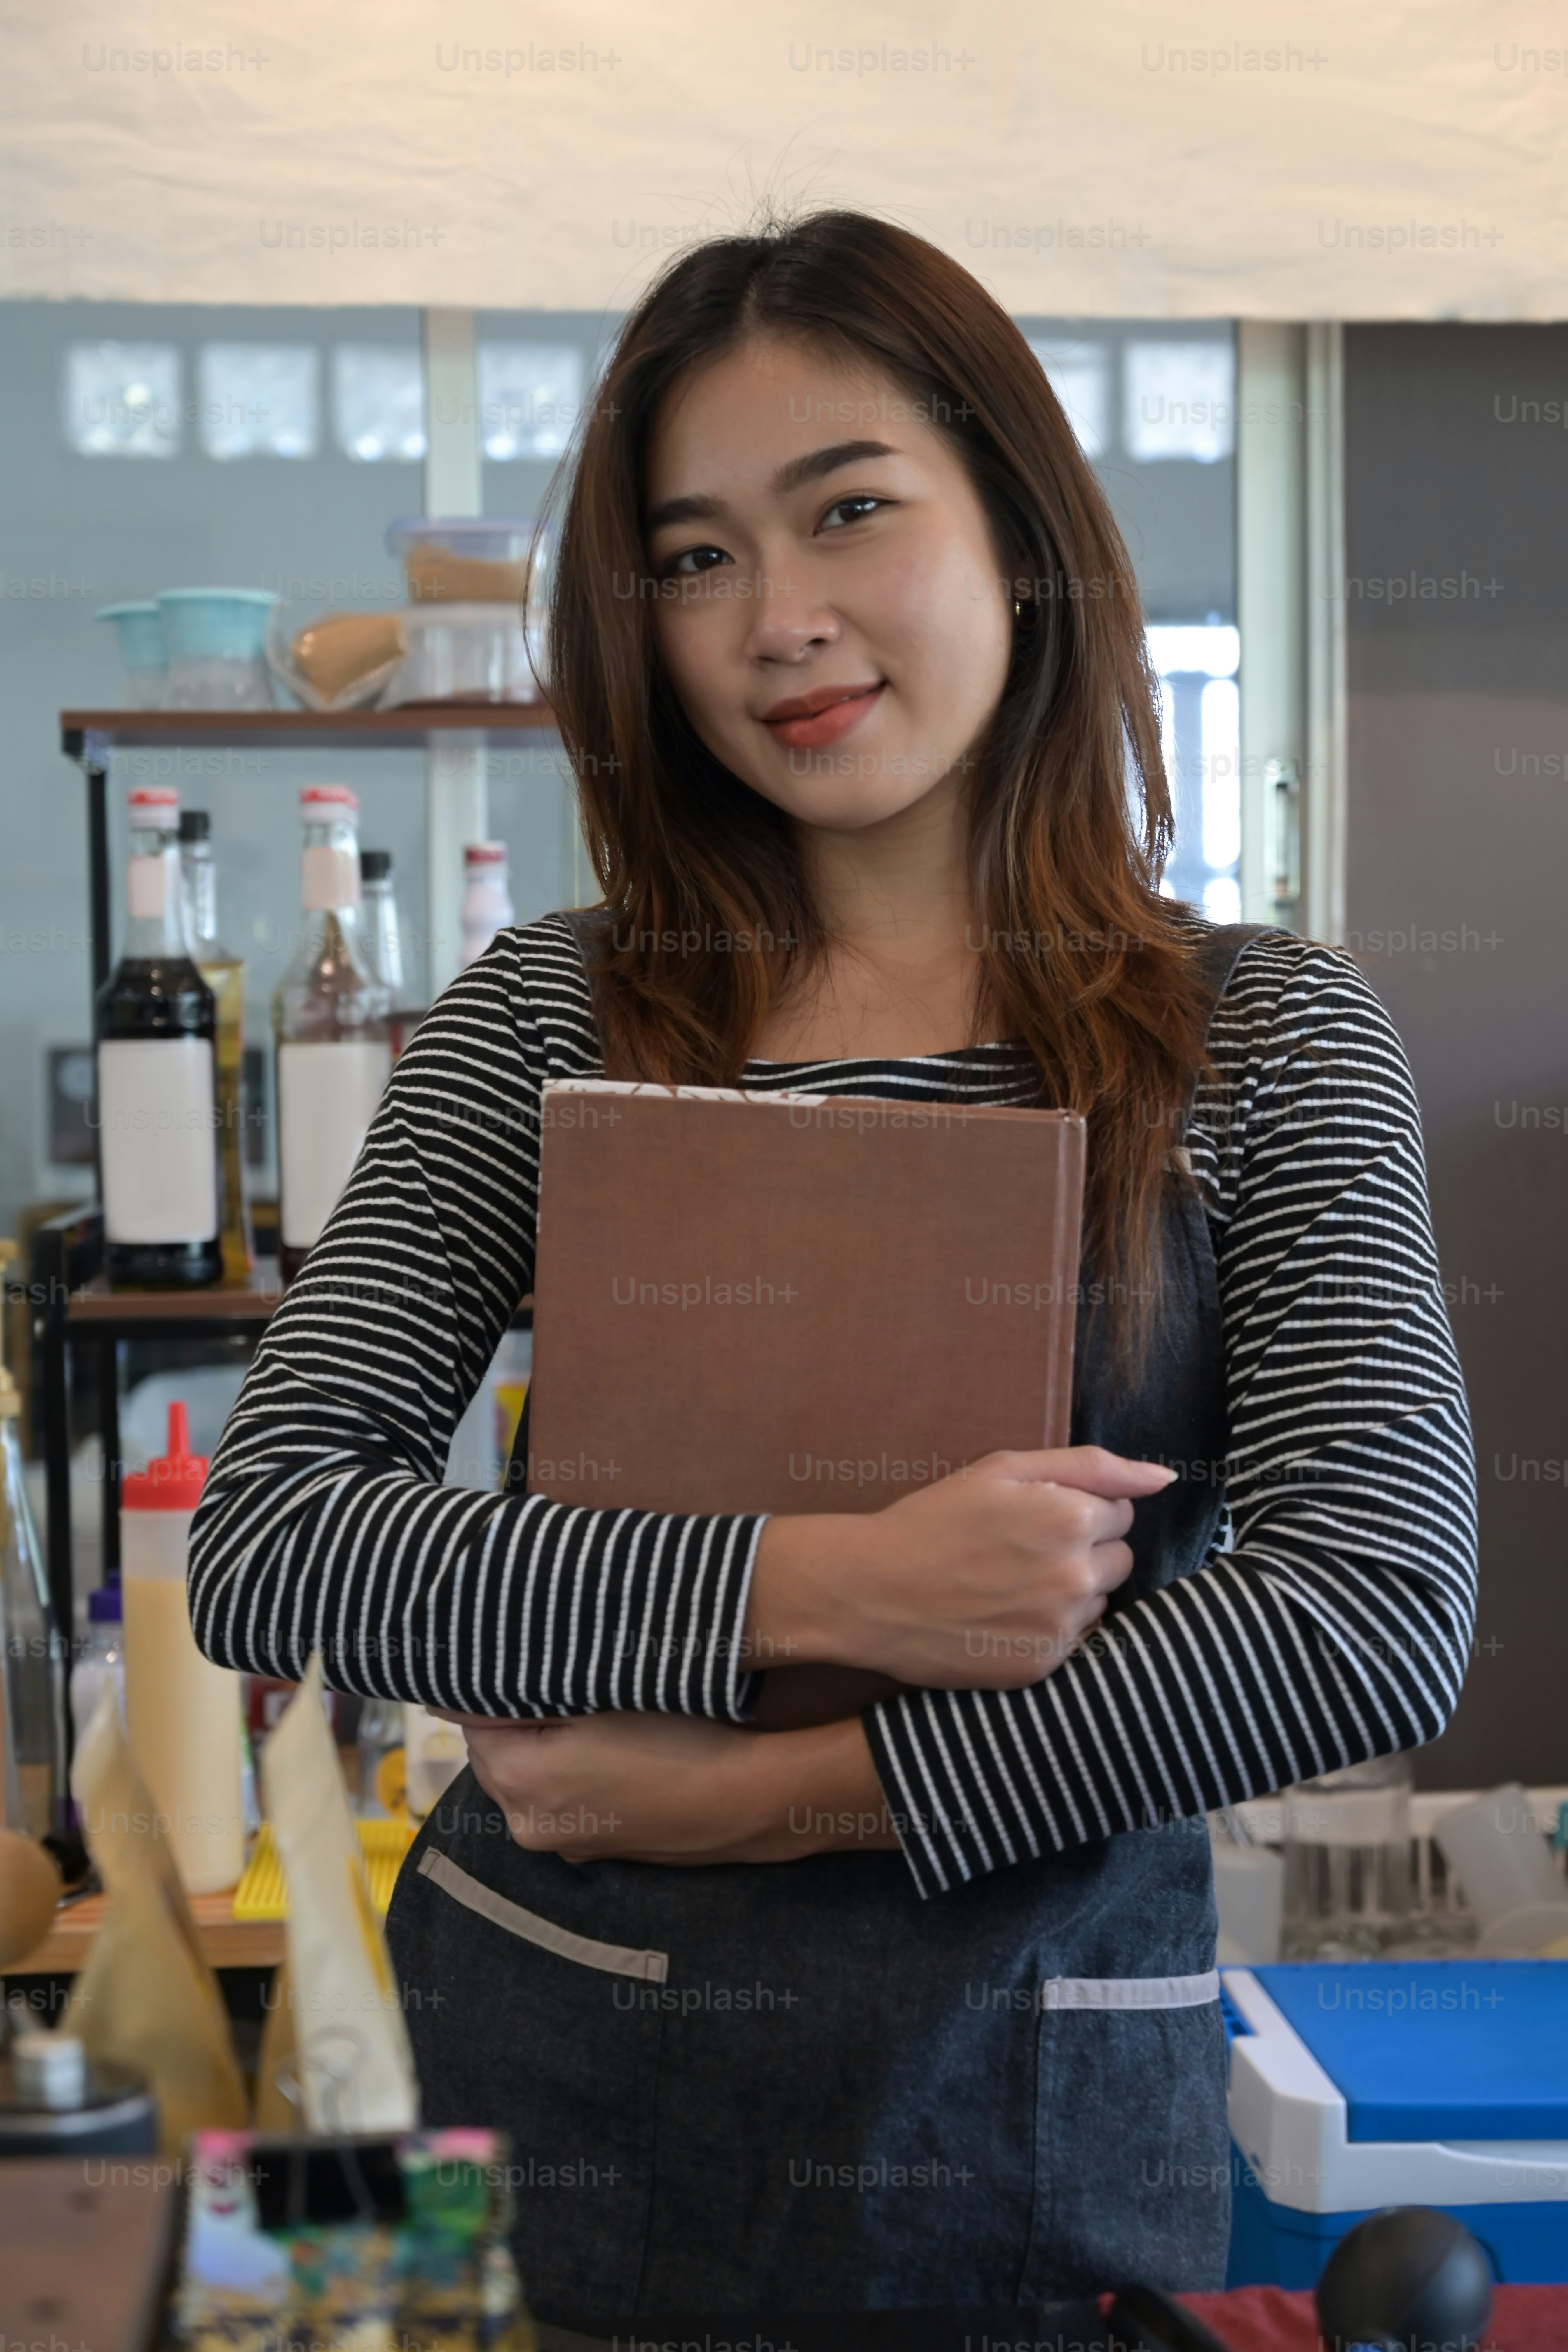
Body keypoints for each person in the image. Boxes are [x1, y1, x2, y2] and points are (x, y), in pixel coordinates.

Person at [189, 211, 1478, 2331]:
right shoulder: (548, 1014)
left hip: (1018, 2120)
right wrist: (823, 1591)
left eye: (848, 511)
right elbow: (275, 1538)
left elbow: (1373, 1615)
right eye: (693, 559)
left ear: (1022, 529)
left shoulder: (1265, 1032)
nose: (775, 620)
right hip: (502, 2060)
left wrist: (772, 1797)